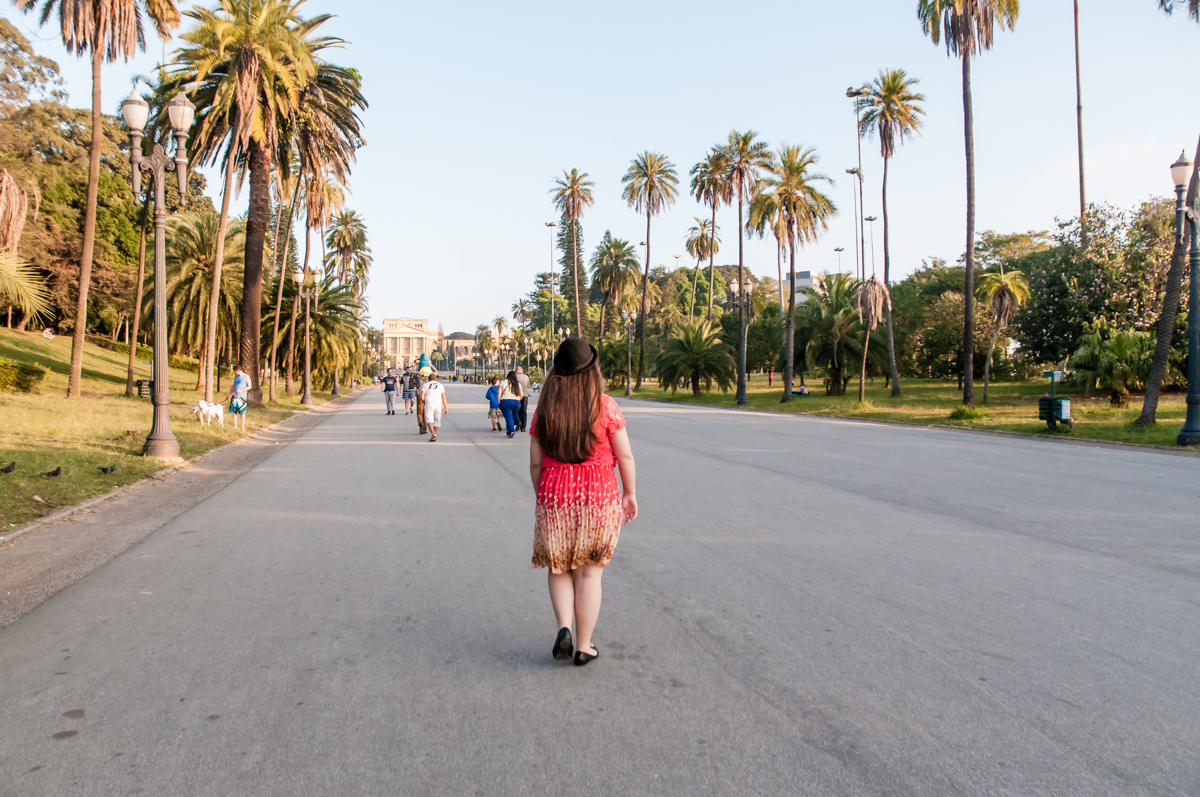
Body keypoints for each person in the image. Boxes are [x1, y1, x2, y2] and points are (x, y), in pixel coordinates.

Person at [529, 338, 637, 667]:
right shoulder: (605, 406)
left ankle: (564, 628)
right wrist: (629, 492)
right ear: (593, 371)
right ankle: (584, 645)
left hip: (556, 492)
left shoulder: (546, 408)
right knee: (590, 574)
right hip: (599, 495)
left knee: (559, 567)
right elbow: (626, 455)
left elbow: (535, 462)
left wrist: (543, 495)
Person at [421, 372, 448, 442]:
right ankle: (434, 434)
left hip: (429, 403)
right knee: (437, 420)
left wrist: (424, 402)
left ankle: (433, 434)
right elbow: (443, 397)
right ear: (436, 379)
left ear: (428, 379)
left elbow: (422, 397)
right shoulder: (440, 385)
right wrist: (445, 407)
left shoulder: (425, 385)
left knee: (429, 419)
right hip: (438, 404)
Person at [497, 370, 524, 438]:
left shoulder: (503, 382)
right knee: (513, 417)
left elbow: (499, 393)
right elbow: (521, 394)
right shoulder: (517, 383)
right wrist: (518, 400)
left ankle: (511, 431)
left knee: (508, 417)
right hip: (516, 402)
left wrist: (499, 401)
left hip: (505, 401)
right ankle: (509, 432)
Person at [226, 364, 252, 432]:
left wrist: (241, 390)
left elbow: (249, 386)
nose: (235, 373)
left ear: (238, 370)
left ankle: (242, 427)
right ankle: (235, 426)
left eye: (235, 371)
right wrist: (229, 394)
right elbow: (233, 385)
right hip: (234, 396)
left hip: (242, 396)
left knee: (242, 412)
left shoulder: (246, 376)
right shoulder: (236, 377)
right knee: (234, 412)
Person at [514, 366, 531, 432]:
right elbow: (528, 385)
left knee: (517, 410)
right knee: (524, 411)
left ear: (517, 370)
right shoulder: (526, 377)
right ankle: (523, 427)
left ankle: (518, 423)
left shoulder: (515, 376)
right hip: (525, 395)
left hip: (516, 395)